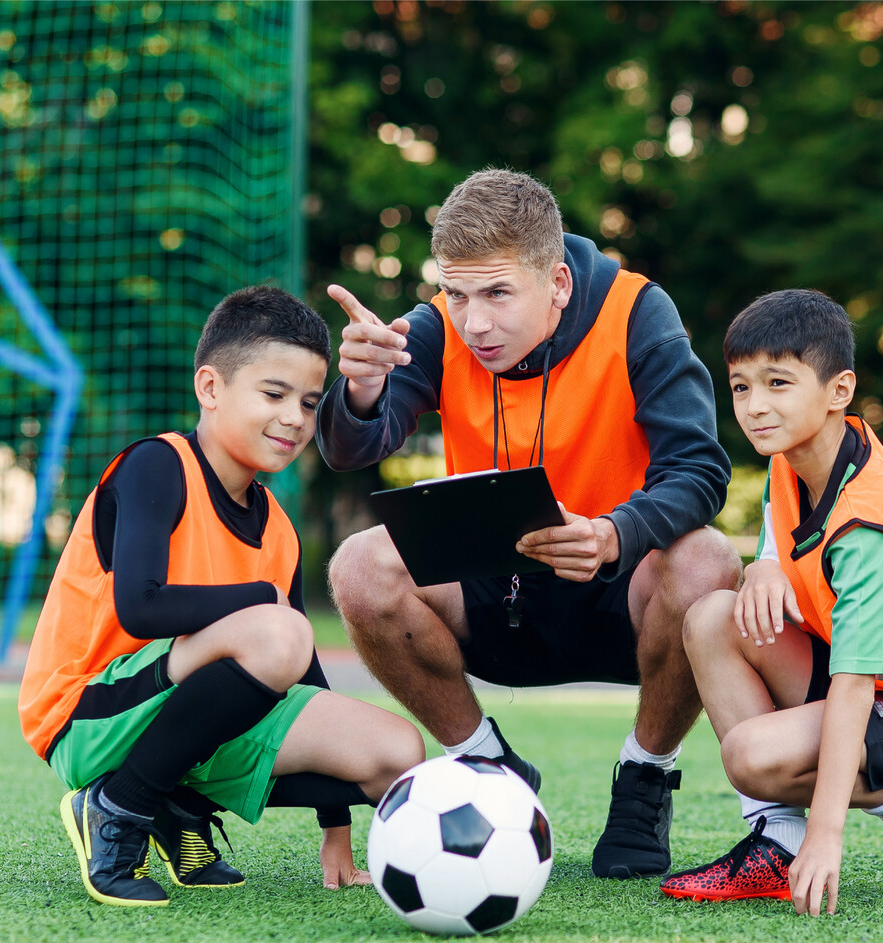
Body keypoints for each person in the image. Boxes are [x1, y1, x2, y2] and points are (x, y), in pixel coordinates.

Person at [317, 168, 740, 879]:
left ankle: (644, 777)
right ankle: (485, 764)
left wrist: (613, 534)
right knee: (359, 566)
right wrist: (360, 389)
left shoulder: (638, 312)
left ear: (558, 284)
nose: (473, 321)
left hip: (619, 591)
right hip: (493, 596)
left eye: (497, 294)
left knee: (709, 560)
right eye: (456, 293)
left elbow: (700, 470)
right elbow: (353, 447)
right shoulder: (435, 326)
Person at [19, 286, 425, 908]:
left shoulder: (279, 529)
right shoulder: (156, 465)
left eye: (311, 402)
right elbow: (141, 608)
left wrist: (336, 832)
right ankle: (118, 807)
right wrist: (262, 599)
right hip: (90, 715)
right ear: (210, 388)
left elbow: (305, 680)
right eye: (274, 393)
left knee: (396, 751)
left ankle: (176, 801)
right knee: (277, 630)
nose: (295, 416)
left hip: (190, 715)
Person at [660, 289, 883, 915]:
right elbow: (778, 531)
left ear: (838, 390)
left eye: (778, 383)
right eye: (741, 387)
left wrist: (828, 835)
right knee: (712, 617)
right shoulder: (794, 455)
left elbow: (854, 685)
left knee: (751, 756)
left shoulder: (871, 524)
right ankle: (776, 840)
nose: (756, 407)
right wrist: (763, 564)